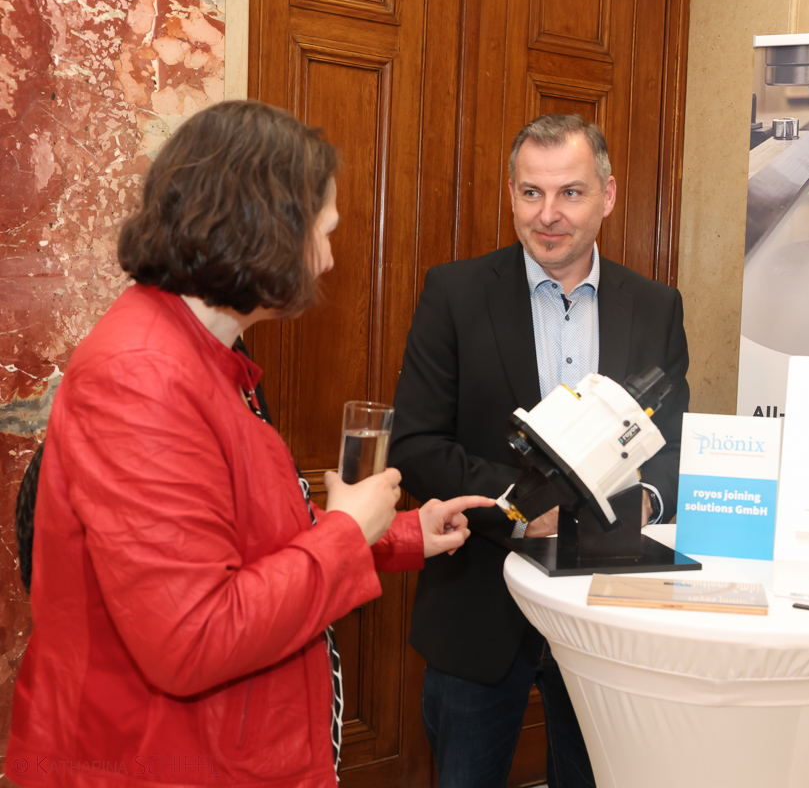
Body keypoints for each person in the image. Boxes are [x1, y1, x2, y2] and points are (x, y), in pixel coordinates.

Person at [6, 100, 492, 787]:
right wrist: (348, 532)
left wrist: (400, 533)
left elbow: (237, 531)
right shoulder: (143, 376)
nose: (329, 259)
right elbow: (192, 638)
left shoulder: (203, 354)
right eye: (323, 233)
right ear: (264, 230)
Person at [388, 113, 690, 787]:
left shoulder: (656, 306)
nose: (547, 214)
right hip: (477, 610)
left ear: (608, 195)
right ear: (512, 194)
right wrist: (526, 509)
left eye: (570, 193)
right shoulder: (454, 294)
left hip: (608, 615)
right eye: (531, 192)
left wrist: (641, 502)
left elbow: (672, 449)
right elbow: (415, 443)